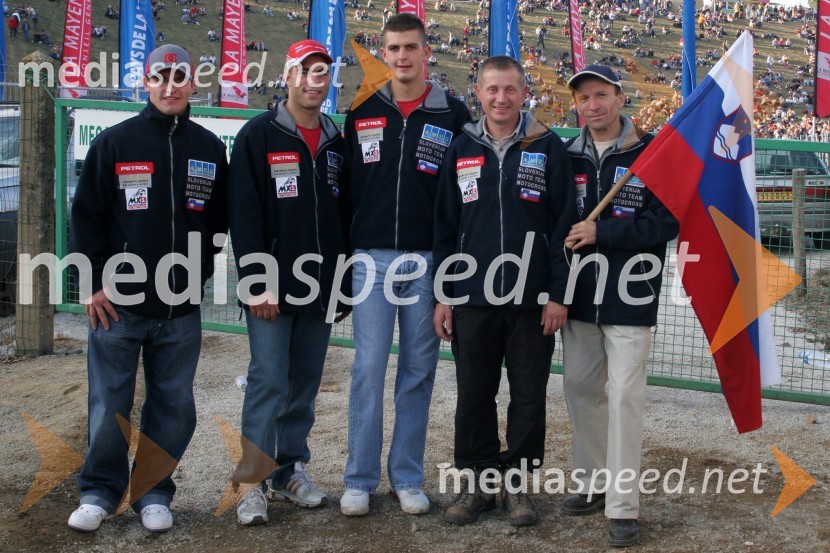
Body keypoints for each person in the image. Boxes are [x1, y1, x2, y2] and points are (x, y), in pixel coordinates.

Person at [67, 44, 229, 533]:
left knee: (174, 406)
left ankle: (154, 492)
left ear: (193, 84)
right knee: (110, 403)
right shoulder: (115, 143)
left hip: (180, 309)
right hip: (119, 306)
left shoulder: (208, 147)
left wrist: (199, 270)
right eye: (160, 76)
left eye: (179, 76)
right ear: (145, 82)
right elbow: (85, 219)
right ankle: (98, 491)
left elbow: (218, 222)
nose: (170, 85)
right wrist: (92, 282)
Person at [433, 55, 575, 527]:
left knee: (529, 396)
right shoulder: (460, 147)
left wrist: (558, 293)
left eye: (509, 89)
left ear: (523, 93)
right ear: (478, 92)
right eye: (492, 89)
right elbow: (446, 228)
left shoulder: (548, 146)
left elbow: (563, 228)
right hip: (472, 297)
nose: (500, 98)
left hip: (533, 300)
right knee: (474, 393)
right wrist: (444, 294)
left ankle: (518, 487)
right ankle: (478, 485)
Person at [340, 12, 470, 517]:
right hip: (371, 259)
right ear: (385, 52)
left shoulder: (453, 114)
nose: (401, 57)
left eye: (410, 48)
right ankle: (359, 479)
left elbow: (464, 199)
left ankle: (407, 477)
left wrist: (450, 274)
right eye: (392, 48)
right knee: (368, 369)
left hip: (427, 260)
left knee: (418, 372)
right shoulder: (363, 109)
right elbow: (346, 188)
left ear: (425, 51)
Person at [227, 39, 350, 527]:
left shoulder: (337, 140)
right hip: (271, 291)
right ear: (288, 74)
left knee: (303, 384)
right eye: (306, 71)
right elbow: (244, 214)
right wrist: (256, 281)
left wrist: (340, 283)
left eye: (322, 73)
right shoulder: (258, 135)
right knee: (267, 381)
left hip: (320, 286)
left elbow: (344, 217)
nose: (314, 80)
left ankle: (289, 469)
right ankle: (251, 482)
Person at [560, 64, 678, 548]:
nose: (594, 104)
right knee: (580, 390)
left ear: (620, 97)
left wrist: (602, 231)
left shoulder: (650, 154)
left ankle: (623, 505)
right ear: (577, 105)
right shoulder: (566, 156)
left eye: (602, 94)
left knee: (626, 396)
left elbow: (665, 223)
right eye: (585, 97)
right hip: (581, 298)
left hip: (631, 298)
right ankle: (591, 481)